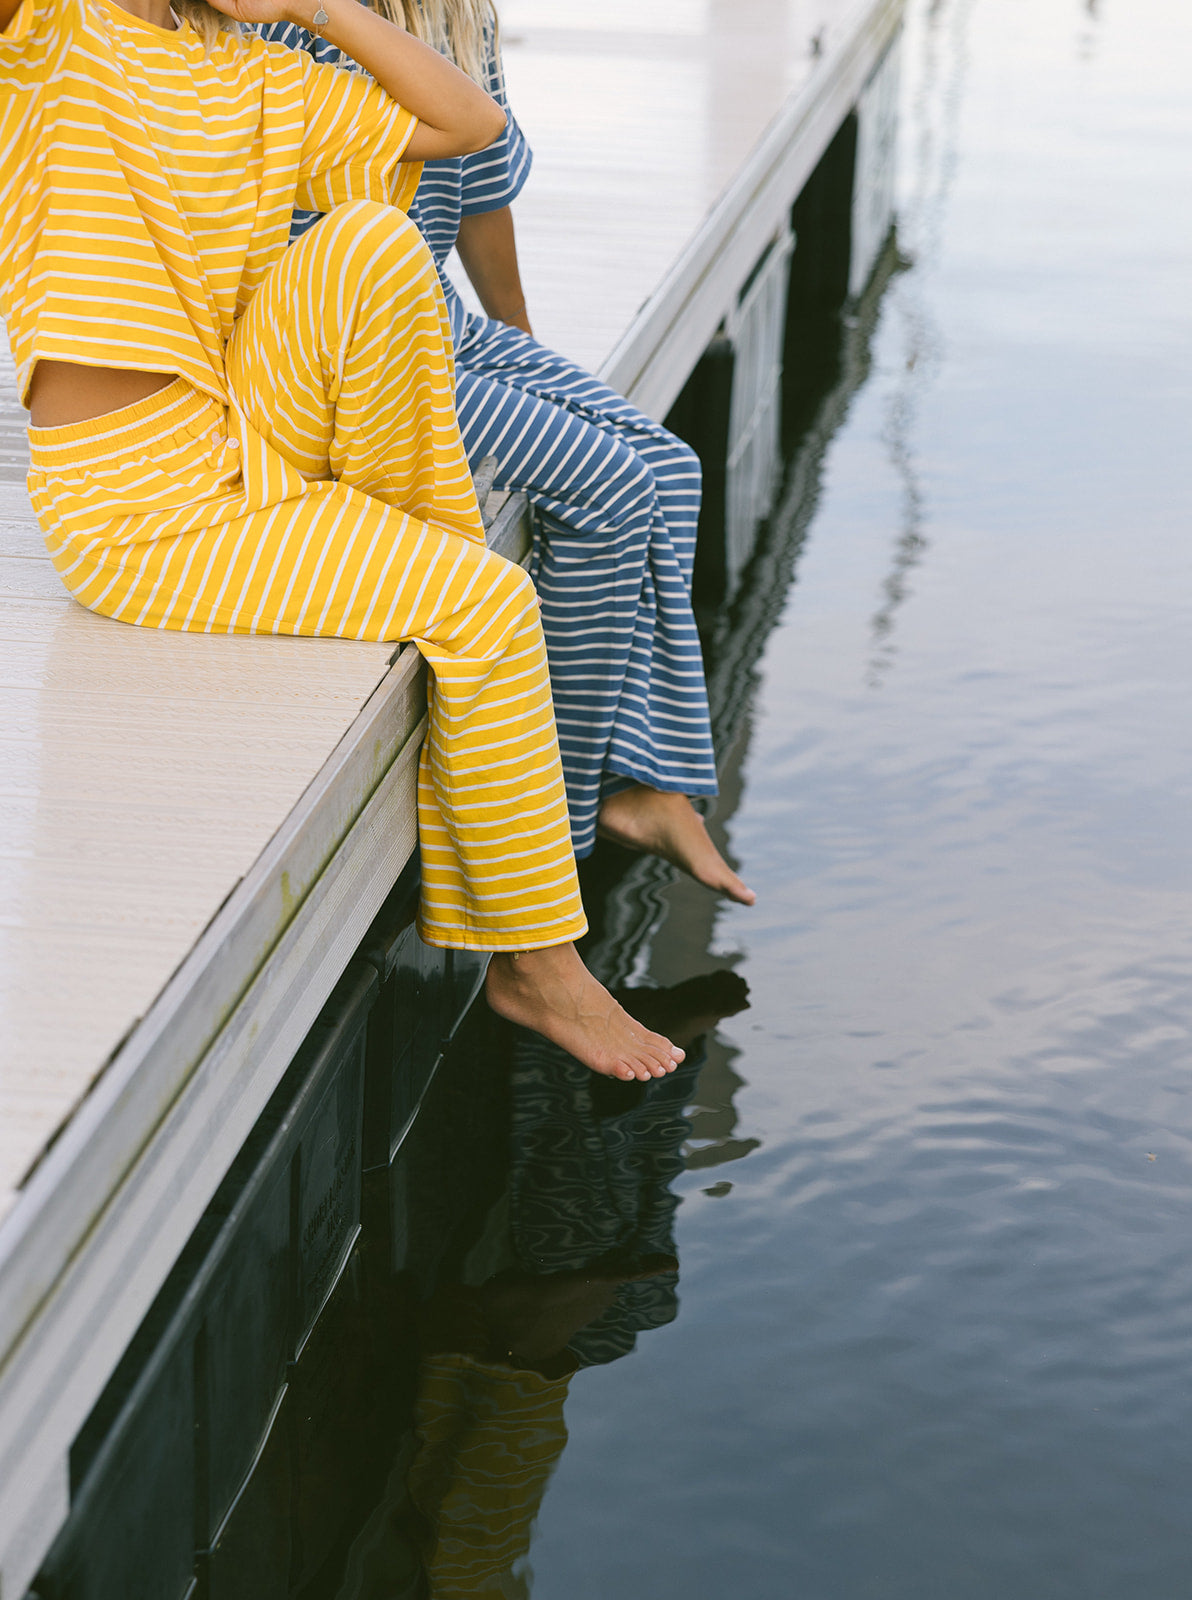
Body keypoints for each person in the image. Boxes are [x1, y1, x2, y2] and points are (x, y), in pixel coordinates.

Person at [0, 0, 686, 1082]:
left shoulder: (255, 70)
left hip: (242, 435)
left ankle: (404, 555)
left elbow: (467, 127)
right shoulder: (54, 31)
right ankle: (534, 965)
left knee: (373, 242)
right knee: (490, 603)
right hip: (136, 510)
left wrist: (316, 9)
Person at [260, 0, 756, 909]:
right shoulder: (288, 21)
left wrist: (524, 346)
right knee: (608, 487)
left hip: (441, 318)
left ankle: (648, 781)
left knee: (669, 467)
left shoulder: (455, 11)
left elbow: (482, 189)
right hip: (354, 346)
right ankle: (557, 842)